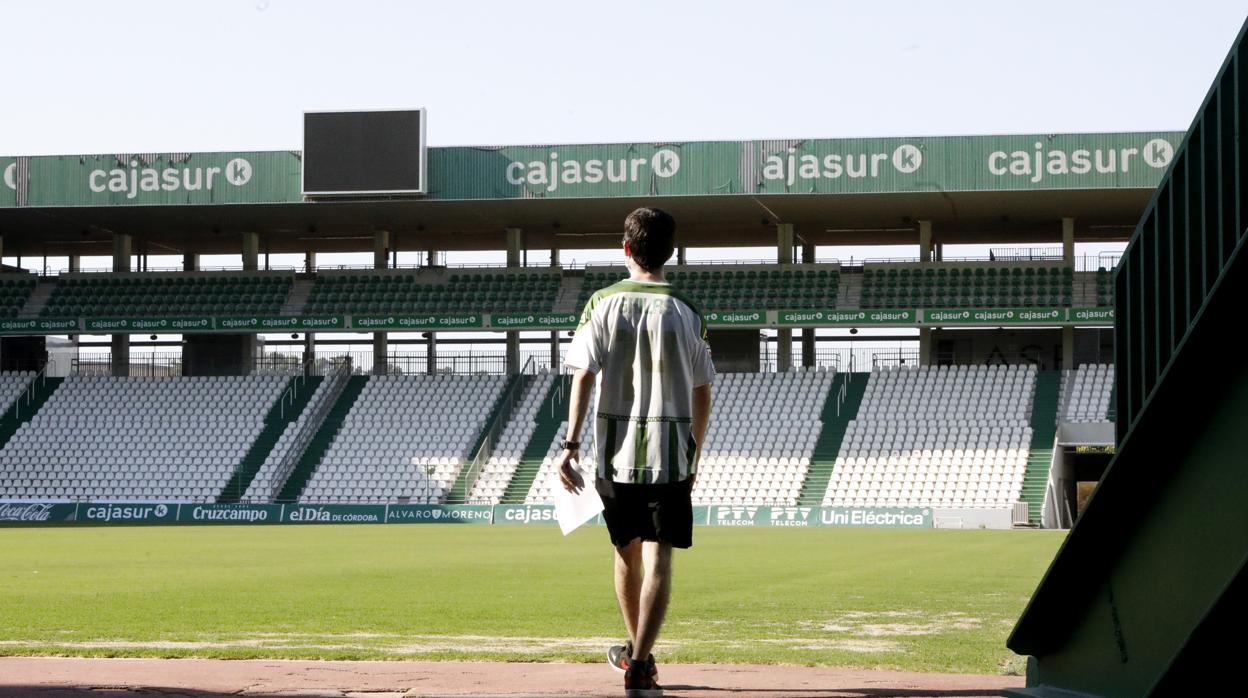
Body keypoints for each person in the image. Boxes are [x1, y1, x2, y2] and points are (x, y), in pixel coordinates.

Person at [558, 206, 714, 698]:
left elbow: (582, 373)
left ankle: (636, 655)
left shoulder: (602, 303)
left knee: (625, 553)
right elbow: (704, 389)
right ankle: (640, 661)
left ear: (626, 249)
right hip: (670, 452)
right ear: (671, 252)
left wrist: (571, 444)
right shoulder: (687, 311)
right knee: (660, 555)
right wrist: (695, 451)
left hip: (614, 453)